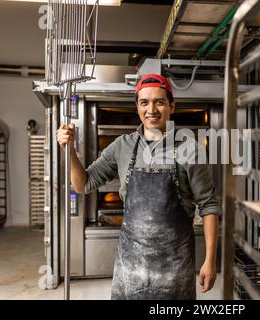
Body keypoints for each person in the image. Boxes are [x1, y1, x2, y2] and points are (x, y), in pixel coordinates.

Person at [56, 74, 220, 300]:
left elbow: (209, 205)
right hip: (130, 266)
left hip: (174, 266)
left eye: (159, 102)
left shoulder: (190, 150)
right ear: (137, 108)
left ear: (172, 106)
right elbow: (83, 184)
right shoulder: (123, 146)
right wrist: (70, 149)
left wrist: (210, 260)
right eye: (144, 102)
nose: (151, 109)